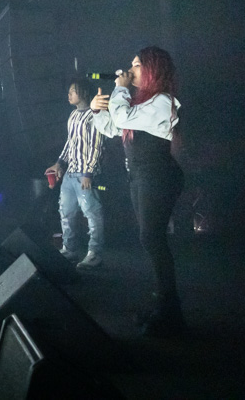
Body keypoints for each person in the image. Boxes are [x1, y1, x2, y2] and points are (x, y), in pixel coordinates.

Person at [90, 47, 185, 337]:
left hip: (158, 175)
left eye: (136, 65)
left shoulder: (163, 102)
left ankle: (170, 312)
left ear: (152, 69)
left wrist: (118, 90)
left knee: (151, 238)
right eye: (130, 65)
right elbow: (112, 128)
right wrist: (95, 110)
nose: (130, 70)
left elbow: (122, 118)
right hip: (141, 175)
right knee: (150, 239)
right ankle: (164, 306)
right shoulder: (140, 104)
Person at [45, 78, 105, 269]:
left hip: (84, 173)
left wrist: (89, 172)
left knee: (91, 213)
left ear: (83, 92)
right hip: (71, 173)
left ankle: (95, 253)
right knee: (66, 211)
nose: (69, 94)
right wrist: (59, 162)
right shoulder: (72, 115)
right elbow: (70, 142)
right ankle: (69, 249)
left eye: (73, 91)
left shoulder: (93, 115)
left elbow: (97, 145)